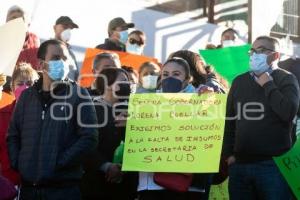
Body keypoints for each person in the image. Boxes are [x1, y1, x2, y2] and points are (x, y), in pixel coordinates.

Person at [7, 39, 98, 200]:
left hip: (63, 190)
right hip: (28, 190)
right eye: (56, 58)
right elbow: (13, 135)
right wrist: (19, 162)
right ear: (41, 65)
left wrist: (59, 162)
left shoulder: (79, 95)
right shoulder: (27, 97)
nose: (62, 62)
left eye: (64, 58)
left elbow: (89, 138)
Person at [223, 36, 299, 199]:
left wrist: (268, 85)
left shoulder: (286, 79)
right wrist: (228, 154)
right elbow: (229, 120)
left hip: (273, 166)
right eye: (253, 50)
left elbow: (288, 112)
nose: (255, 54)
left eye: (262, 50)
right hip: (239, 165)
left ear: (276, 56)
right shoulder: (239, 81)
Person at [138, 57, 208, 200]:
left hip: (189, 184)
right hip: (152, 185)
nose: (170, 78)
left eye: (176, 74)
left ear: (187, 78)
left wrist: (208, 101)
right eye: (165, 74)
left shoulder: (201, 99)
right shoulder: (146, 102)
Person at [81, 68, 137, 200]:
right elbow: (85, 144)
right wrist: (106, 166)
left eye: (128, 81)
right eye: (123, 81)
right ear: (107, 84)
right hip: (96, 181)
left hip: (125, 183)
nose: (127, 85)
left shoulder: (132, 110)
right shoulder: (90, 109)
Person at [0, 63, 39, 187]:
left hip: (35, 184)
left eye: (30, 83)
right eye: (20, 83)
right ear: (12, 87)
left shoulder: (46, 116)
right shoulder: (1, 115)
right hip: (8, 182)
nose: (25, 87)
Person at [6, 5, 40, 70]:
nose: (17, 21)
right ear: (6, 21)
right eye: (13, 18)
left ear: (28, 24)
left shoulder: (34, 40)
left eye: (22, 19)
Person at [54, 16, 80, 81]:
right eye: (65, 27)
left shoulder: (71, 54)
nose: (67, 31)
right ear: (54, 28)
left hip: (70, 90)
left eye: (70, 29)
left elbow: (77, 78)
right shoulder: (46, 49)